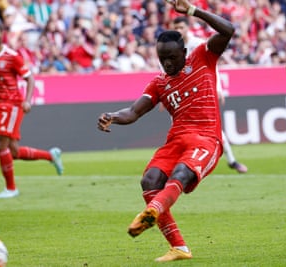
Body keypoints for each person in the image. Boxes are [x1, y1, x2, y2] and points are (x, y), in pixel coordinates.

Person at [97, 0, 234, 262]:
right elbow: (134, 112)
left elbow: (228, 30)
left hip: (206, 140)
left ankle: (152, 211)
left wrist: (193, 10)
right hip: (177, 141)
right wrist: (111, 117)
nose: (167, 64)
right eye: (162, 60)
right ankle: (179, 248)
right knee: (149, 181)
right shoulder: (159, 83)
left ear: (184, 52)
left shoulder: (203, 57)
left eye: (172, 58)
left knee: (182, 173)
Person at [0, 19, 64, 199]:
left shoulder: (12, 56)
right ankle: (51, 155)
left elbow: (30, 78)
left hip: (11, 105)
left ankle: (11, 188)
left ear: (1, 34)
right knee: (13, 151)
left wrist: (27, 101)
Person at [172, 15, 248, 174]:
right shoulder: (172, 47)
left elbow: (212, 66)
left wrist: (217, 87)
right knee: (178, 129)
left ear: (188, 27)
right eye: (176, 28)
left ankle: (232, 160)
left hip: (202, 92)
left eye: (181, 28)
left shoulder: (198, 44)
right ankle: (178, 162)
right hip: (182, 95)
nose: (179, 31)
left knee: (214, 127)